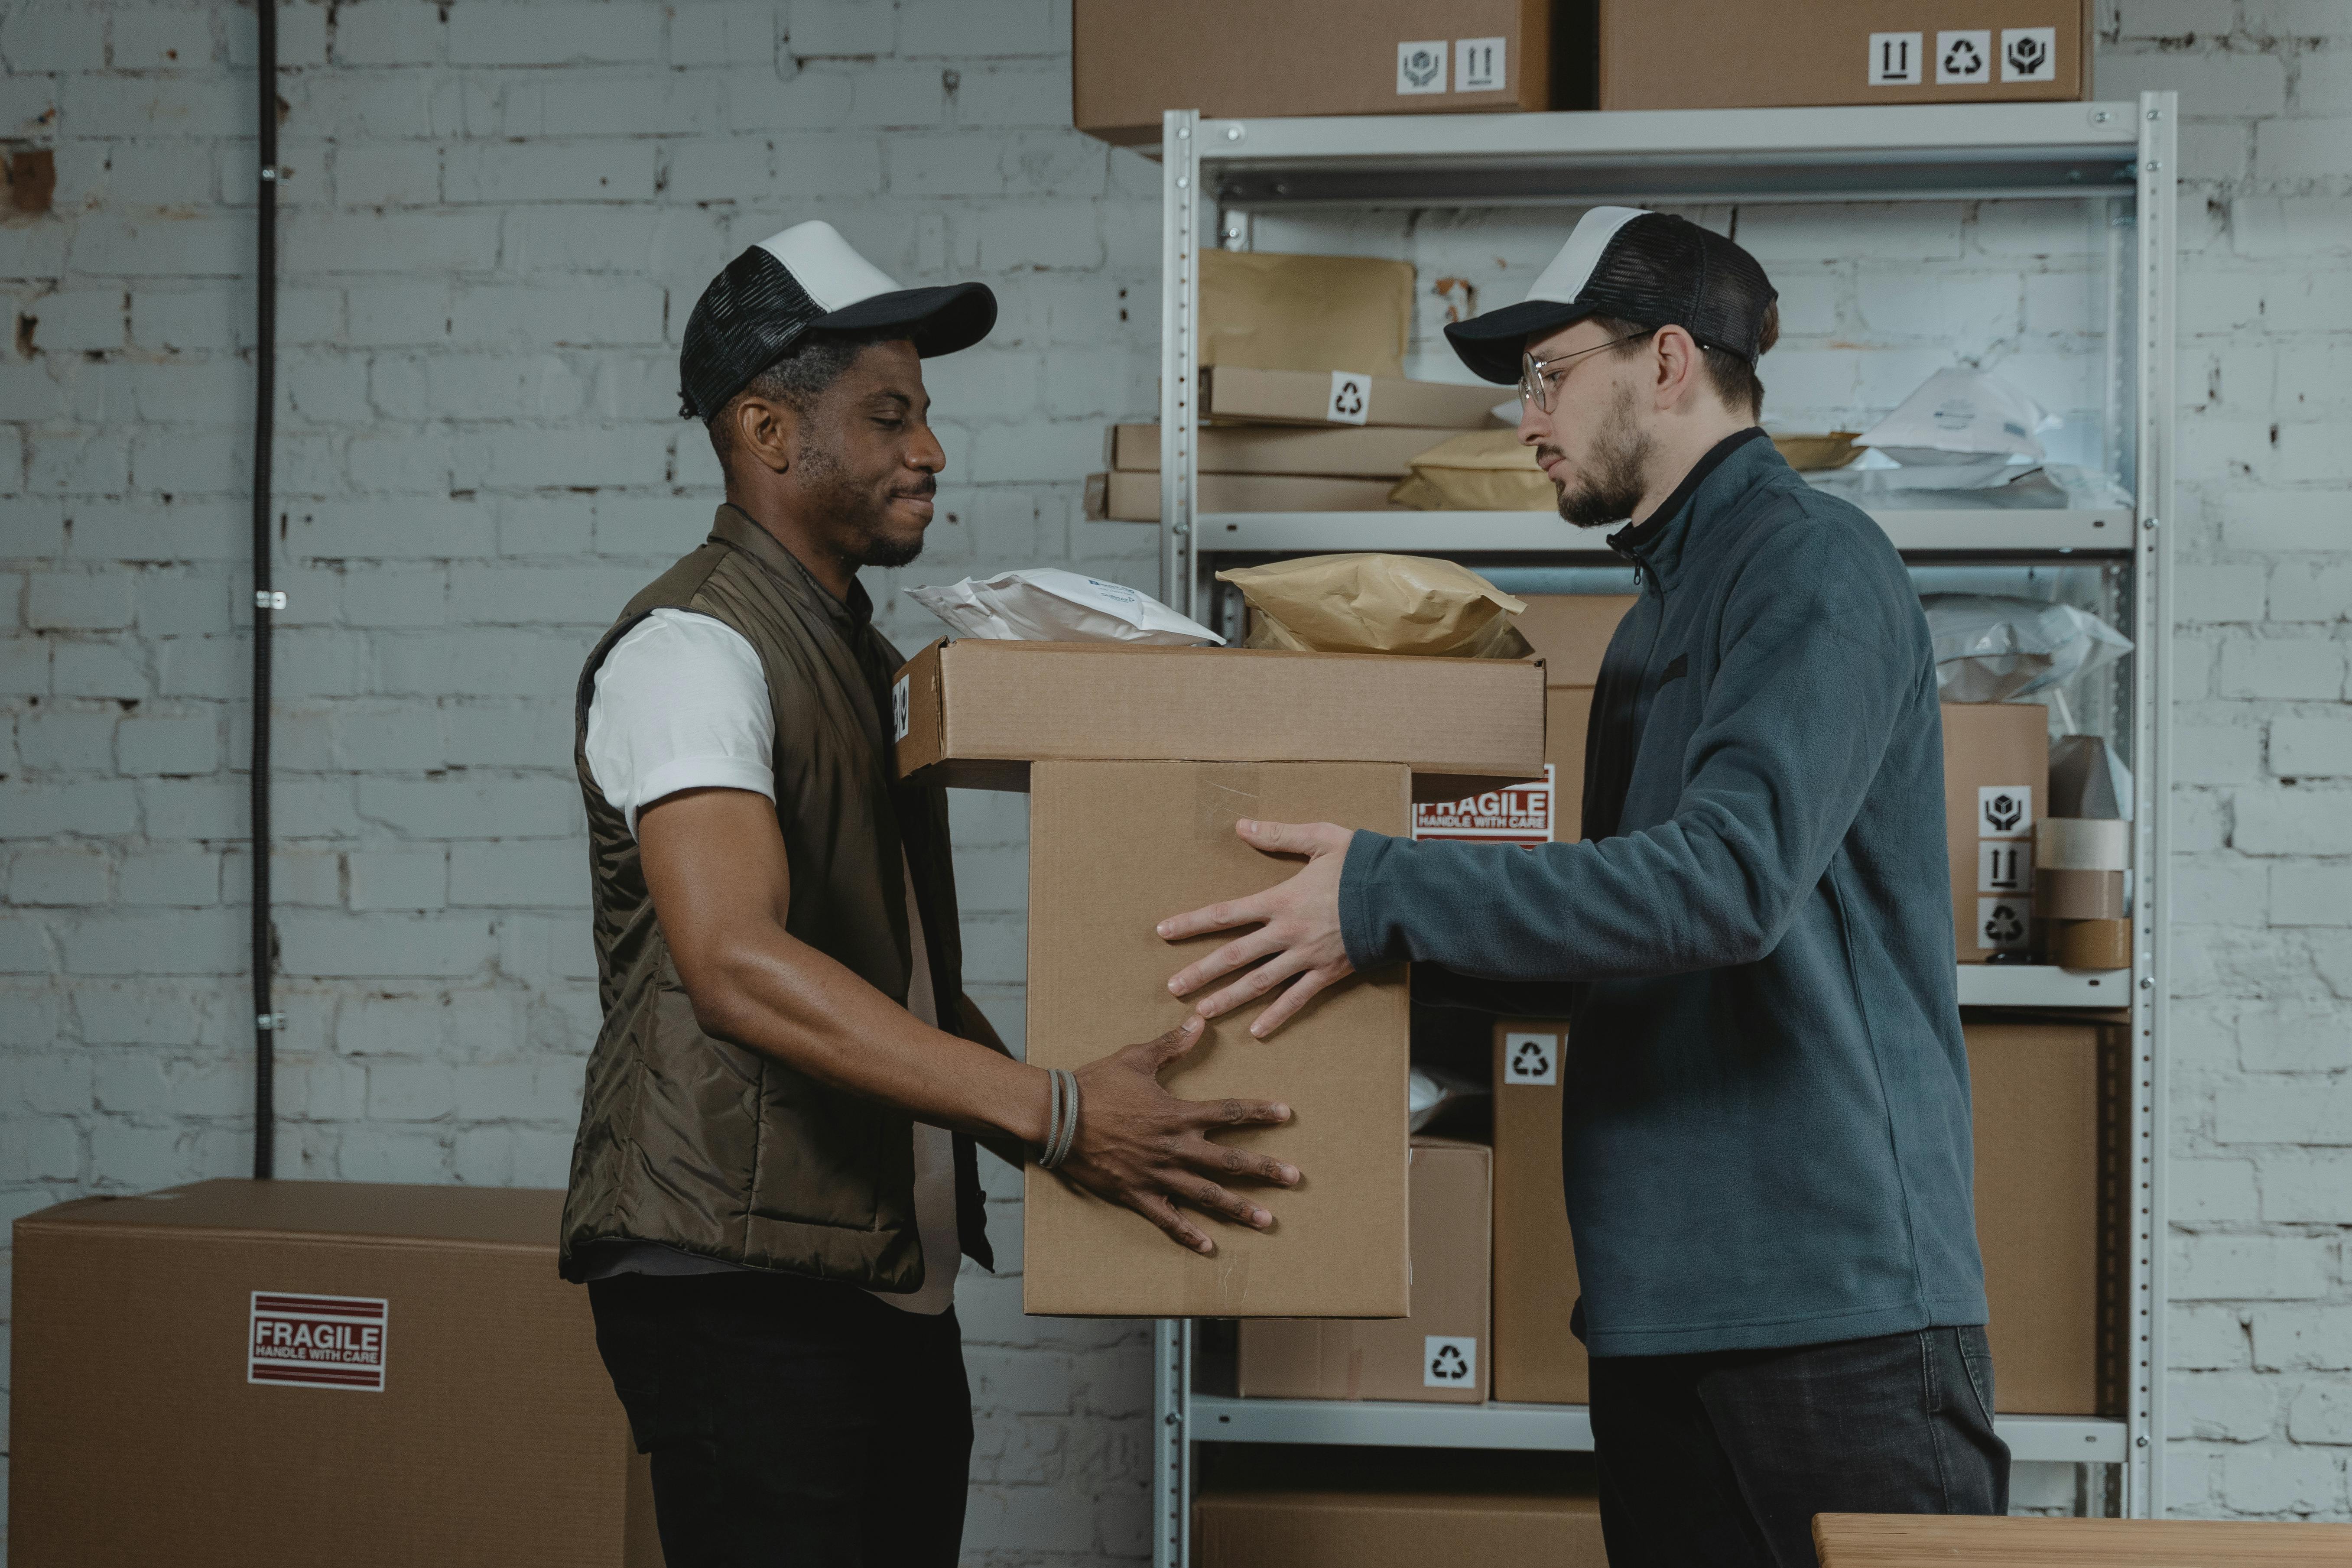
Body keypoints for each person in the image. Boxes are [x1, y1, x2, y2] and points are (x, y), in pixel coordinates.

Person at [1156, 207, 2009, 1566]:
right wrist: (1333, 957)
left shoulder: (1813, 568)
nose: (1524, 418)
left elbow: (1728, 885)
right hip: (1657, 1310)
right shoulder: (1647, 626)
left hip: (1830, 1316)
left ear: (1666, 360)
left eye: (1548, 374)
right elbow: (1607, 941)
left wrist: (1384, 892)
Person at [558, 221, 1303, 1568]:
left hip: (862, 1280)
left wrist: (1081, 1118)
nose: (932, 452)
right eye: (888, 416)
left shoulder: (856, 655)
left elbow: (887, 967)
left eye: (927, 414)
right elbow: (731, 958)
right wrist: (1057, 1112)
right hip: (741, 1290)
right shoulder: (691, 649)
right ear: (769, 433)